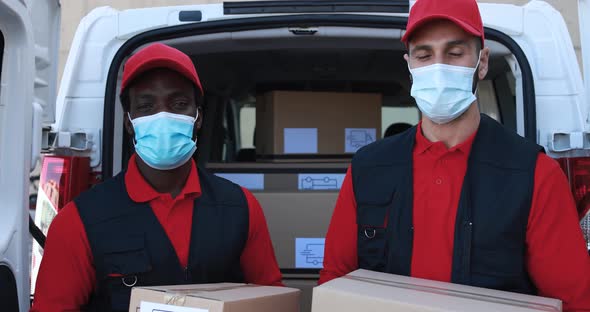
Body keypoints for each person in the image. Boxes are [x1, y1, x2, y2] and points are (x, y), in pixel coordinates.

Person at [319, 0, 590, 310]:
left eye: (455, 53)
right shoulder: (368, 168)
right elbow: (335, 281)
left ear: (483, 62)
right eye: (424, 55)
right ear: (410, 66)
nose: (438, 68)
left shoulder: (534, 173)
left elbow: (573, 300)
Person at [31, 43, 282, 312]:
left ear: (198, 117)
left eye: (179, 104)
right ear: (129, 122)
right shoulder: (79, 221)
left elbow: (273, 302)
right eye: (146, 105)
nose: (163, 116)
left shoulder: (241, 208)